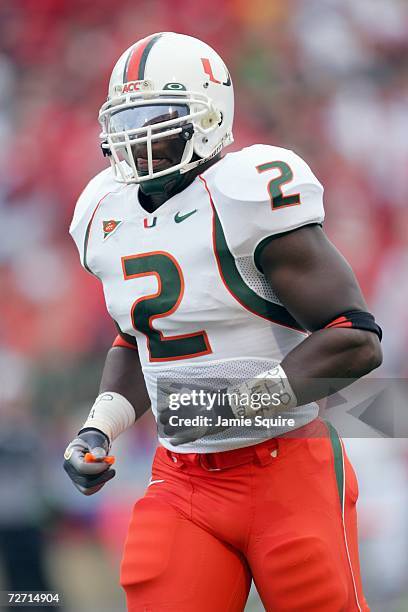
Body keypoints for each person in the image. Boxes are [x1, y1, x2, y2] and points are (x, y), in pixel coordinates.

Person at [63, 32, 382, 611]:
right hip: (182, 479)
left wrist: (236, 404)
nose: (139, 137)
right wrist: (100, 426)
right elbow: (142, 336)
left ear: (209, 114)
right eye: (128, 119)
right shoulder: (101, 211)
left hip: (287, 467)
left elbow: (354, 339)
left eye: (158, 117)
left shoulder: (247, 191)